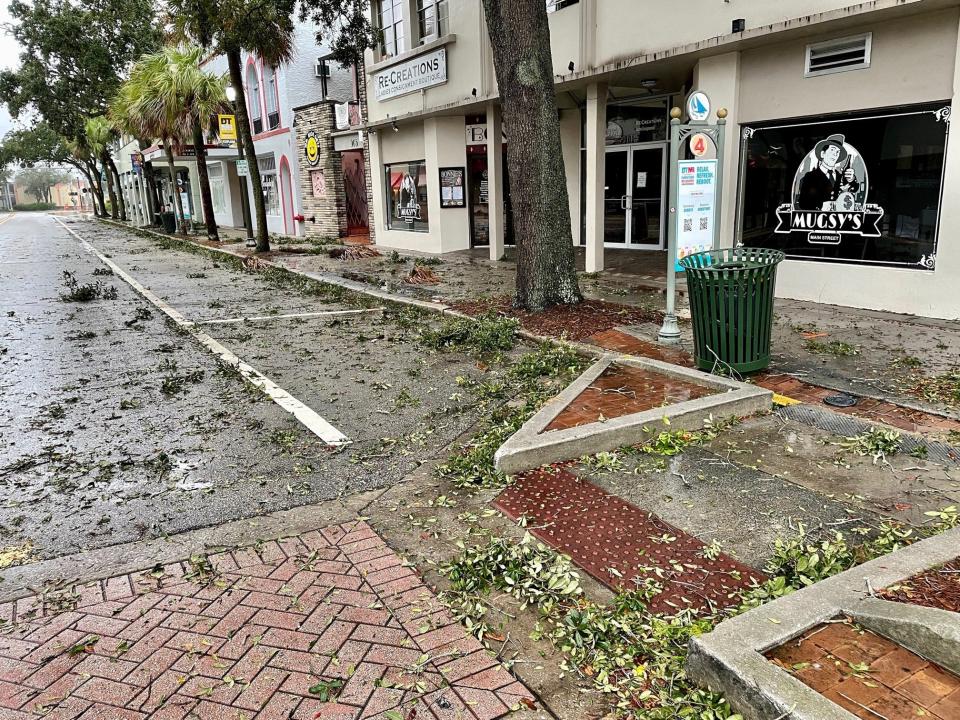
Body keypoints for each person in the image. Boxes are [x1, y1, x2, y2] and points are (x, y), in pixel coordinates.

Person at [797, 134, 859, 211]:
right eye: (832, 149)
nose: (835, 154)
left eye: (838, 152)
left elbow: (854, 188)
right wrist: (820, 205)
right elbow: (803, 203)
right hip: (818, 220)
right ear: (823, 154)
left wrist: (852, 179)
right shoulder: (810, 176)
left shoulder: (840, 176)